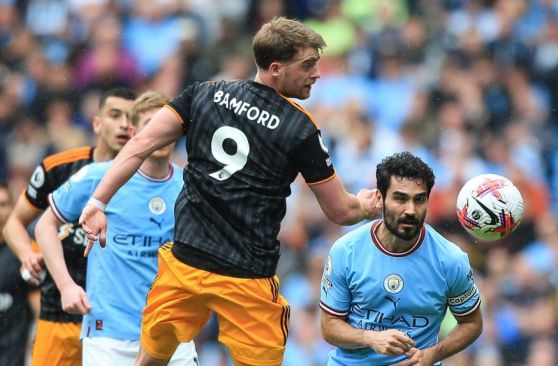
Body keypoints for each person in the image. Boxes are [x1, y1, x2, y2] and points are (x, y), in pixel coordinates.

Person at [79, 17, 380, 366]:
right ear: (276, 69)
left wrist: (98, 201)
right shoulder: (300, 128)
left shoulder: (204, 93)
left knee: (149, 363)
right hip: (246, 278)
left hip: (186, 265)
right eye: (308, 65)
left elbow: (141, 144)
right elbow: (341, 212)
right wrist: (367, 206)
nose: (317, 73)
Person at [36, 91, 198, 365]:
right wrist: (66, 287)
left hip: (170, 332)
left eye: (164, 125)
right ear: (134, 131)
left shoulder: (189, 187)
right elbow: (45, 225)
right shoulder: (101, 177)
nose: (158, 133)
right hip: (108, 335)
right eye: (149, 124)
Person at [2, 87, 136, 366]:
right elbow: (14, 223)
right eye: (115, 115)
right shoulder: (59, 168)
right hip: (60, 315)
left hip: (121, 323)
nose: (124, 123)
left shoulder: (150, 178)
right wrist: (28, 255)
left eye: (132, 117)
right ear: (97, 123)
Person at [319, 152, 483, 366]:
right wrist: (369, 338)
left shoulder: (451, 260)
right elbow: (329, 326)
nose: (411, 210)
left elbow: (472, 323)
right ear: (380, 198)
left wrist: (432, 354)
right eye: (400, 198)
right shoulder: (346, 251)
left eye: (419, 199)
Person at [0, 182, 39, 366]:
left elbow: (38, 307)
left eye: (3, 204)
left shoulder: (25, 251)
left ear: (13, 207)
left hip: (13, 357)